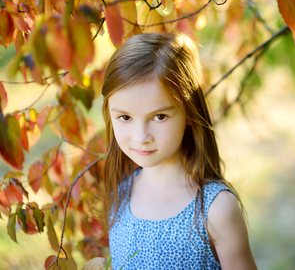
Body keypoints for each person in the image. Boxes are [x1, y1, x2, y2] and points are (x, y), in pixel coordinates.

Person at [100, 33, 258, 270]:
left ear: (189, 113)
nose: (141, 137)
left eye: (159, 116)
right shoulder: (120, 193)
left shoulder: (215, 210)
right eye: (125, 117)